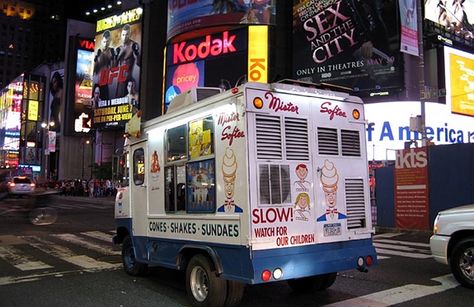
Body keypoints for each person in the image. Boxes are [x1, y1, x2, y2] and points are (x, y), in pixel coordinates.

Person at [115, 24, 140, 97]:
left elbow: (139, 63)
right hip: (120, 81)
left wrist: (136, 53)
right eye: (123, 34)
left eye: (126, 34)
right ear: (121, 35)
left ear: (129, 34)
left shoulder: (133, 45)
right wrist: (117, 56)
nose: (124, 37)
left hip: (129, 80)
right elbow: (114, 67)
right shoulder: (119, 48)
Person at [93, 30, 115, 100]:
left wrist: (113, 58)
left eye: (107, 42)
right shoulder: (98, 51)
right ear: (102, 41)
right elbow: (94, 70)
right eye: (104, 42)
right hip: (97, 82)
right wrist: (96, 59)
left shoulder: (111, 51)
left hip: (105, 82)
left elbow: (113, 68)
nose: (105, 44)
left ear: (110, 41)